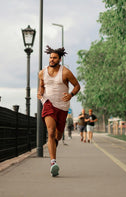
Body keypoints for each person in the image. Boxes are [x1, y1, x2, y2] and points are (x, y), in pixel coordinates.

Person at [37, 45, 80, 177]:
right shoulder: (42, 73)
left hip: (62, 106)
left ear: (59, 59)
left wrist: (71, 94)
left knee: (58, 136)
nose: (52, 60)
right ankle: (53, 163)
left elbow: (77, 86)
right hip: (48, 103)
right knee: (50, 132)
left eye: (55, 58)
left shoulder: (65, 72)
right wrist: (40, 93)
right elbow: (42, 86)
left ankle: (53, 147)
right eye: (50, 57)